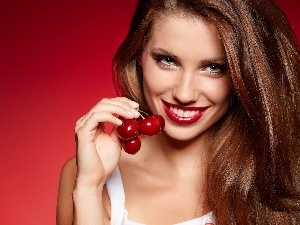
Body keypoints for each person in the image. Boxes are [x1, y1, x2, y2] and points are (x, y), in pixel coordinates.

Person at [56, 0, 300, 224]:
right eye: (167, 60)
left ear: (246, 75)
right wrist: (90, 186)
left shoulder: (283, 175)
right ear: (139, 56)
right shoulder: (87, 175)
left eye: (214, 67)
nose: (184, 94)